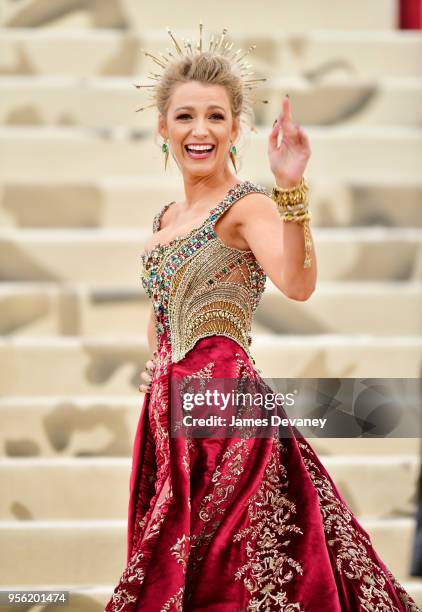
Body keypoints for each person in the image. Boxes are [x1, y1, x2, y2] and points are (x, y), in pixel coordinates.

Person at [104, 24, 420, 612]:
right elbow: (162, 317)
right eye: (185, 117)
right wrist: (156, 365)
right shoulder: (165, 217)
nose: (200, 131)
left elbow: (298, 284)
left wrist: (289, 188)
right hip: (167, 411)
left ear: (236, 128)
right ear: (162, 128)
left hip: (224, 407)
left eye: (216, 117)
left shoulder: (247, 205)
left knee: (238, 572)